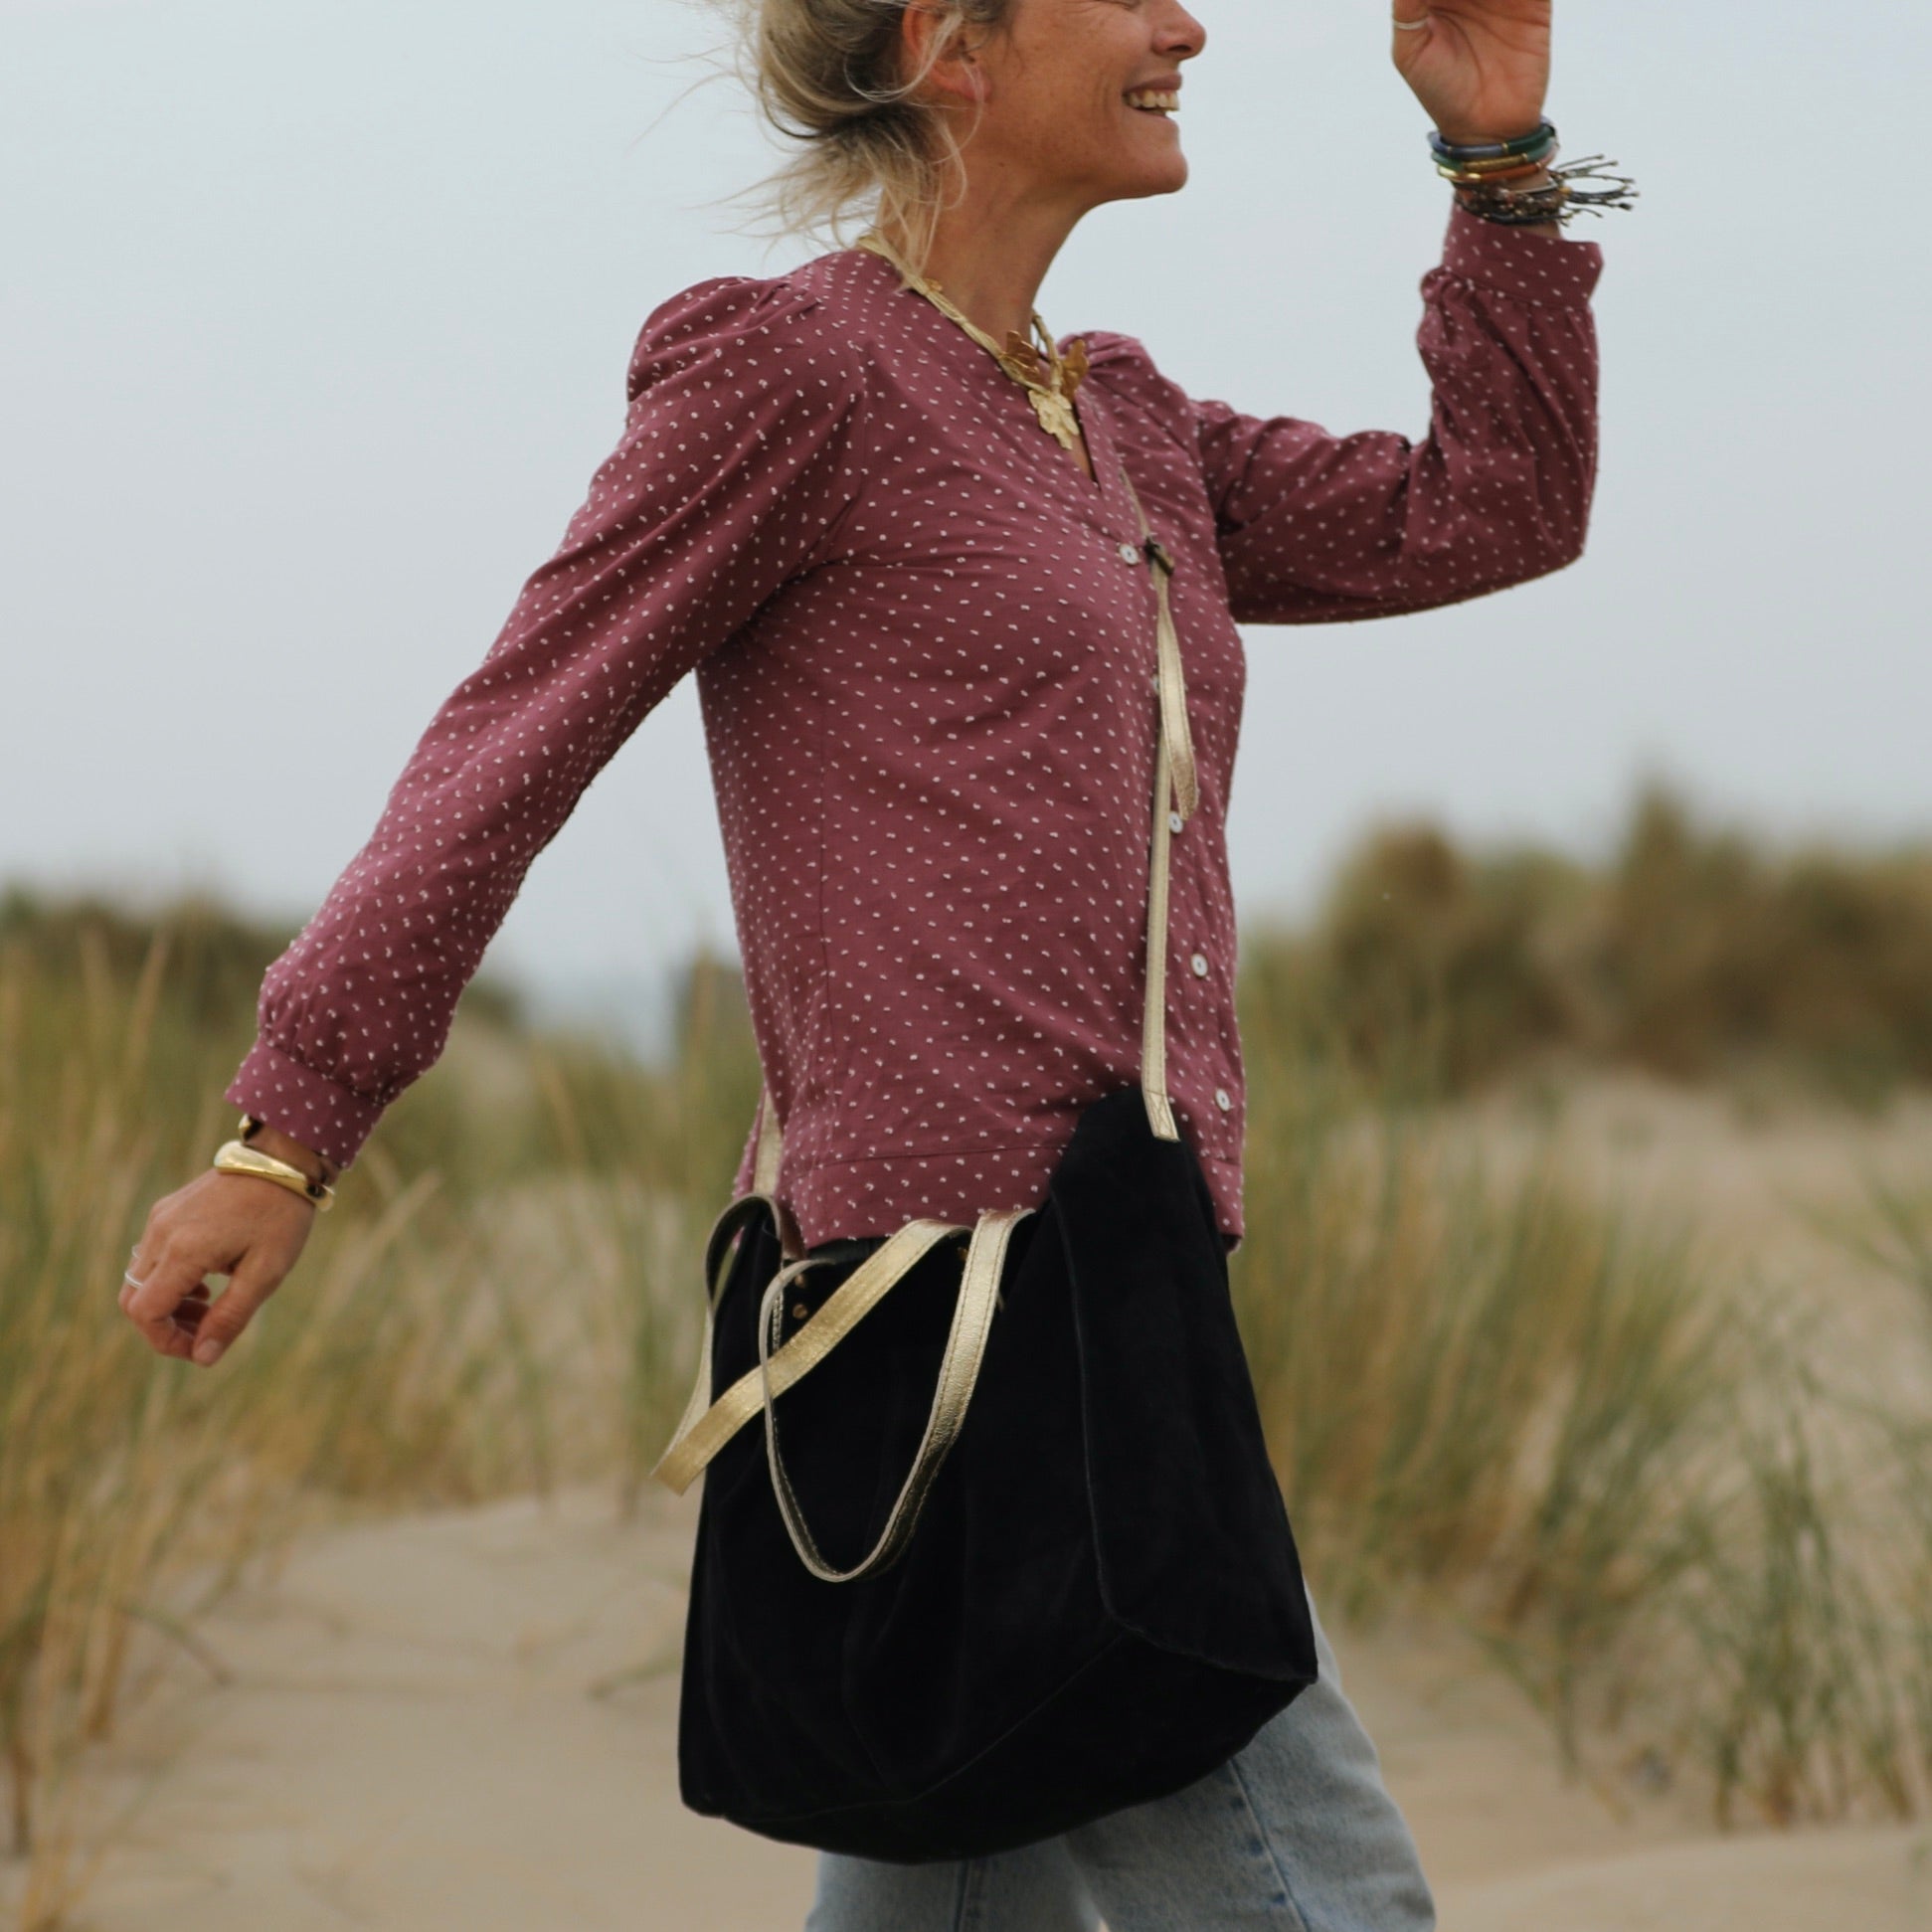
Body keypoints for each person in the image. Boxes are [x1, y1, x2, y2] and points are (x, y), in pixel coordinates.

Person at [122, 1, 1616, 1923]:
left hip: (1122, 1278)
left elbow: (1494, 507)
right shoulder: (797, 374)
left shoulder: (1128, 423)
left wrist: (1499, 158)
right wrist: (287, 1130)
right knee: (1324, 1899)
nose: (1188, 21)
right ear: (949, 45)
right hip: (956, 1309)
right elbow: (517, 736)